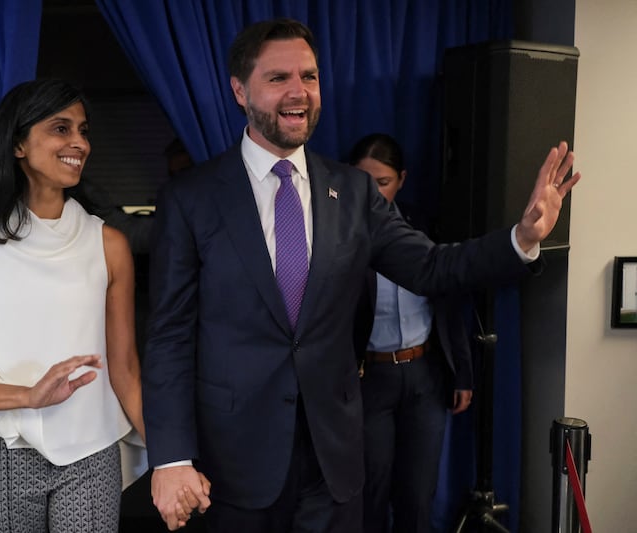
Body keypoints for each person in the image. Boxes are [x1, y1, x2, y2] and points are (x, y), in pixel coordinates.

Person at [142, 18, 580, 533]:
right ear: (240, 90)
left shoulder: (353, 192)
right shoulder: (191, 198)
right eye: (278, 78)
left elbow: (432, 266)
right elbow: (168, 337)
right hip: (233, 463)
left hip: (333, 464)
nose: (298, 92)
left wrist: (522, 238)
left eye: (309, 76)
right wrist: (171, 458)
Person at [0, 79, 148, 532]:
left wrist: (174, 458)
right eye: (61, 129)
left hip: (91, 448)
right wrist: (28, 397)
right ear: (18, 144)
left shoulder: (109, 244)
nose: (79, 142)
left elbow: (126, 373)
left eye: (83, 130)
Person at [348, 133, 473, 532]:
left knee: (418, 495)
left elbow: (450, 300)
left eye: (382, 183)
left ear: (401, 179)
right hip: (369, 377)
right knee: (370, 491)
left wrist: (463, 372)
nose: (373, 193)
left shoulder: (423, 224)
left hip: (424, 373)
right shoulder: (339, 235)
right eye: (362, 182)